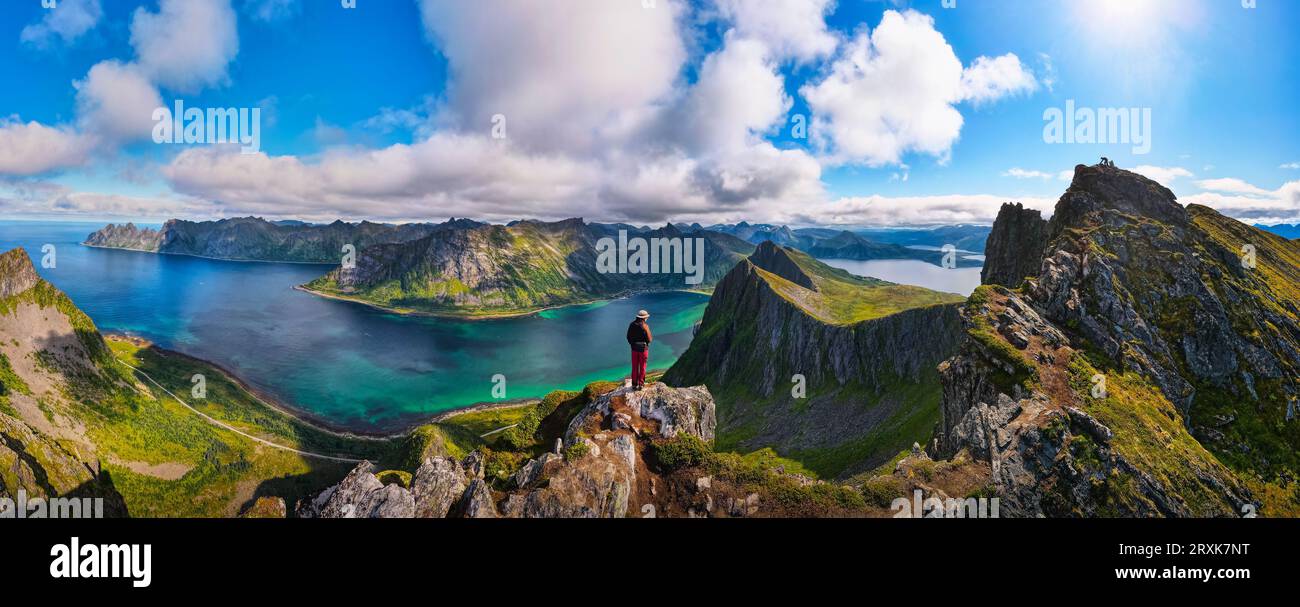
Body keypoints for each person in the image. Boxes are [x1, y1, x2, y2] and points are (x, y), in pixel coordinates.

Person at [626, 309, 652, 391]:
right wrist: (646, 343)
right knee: (643, 366)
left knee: (635, 366)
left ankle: (634, 384)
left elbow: (628, 337)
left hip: (634, 349)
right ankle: (641, 384)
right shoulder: (645, 326)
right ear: (644, 318)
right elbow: (649, 339)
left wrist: (632, 344)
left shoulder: (632, 325)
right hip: (643, 349)